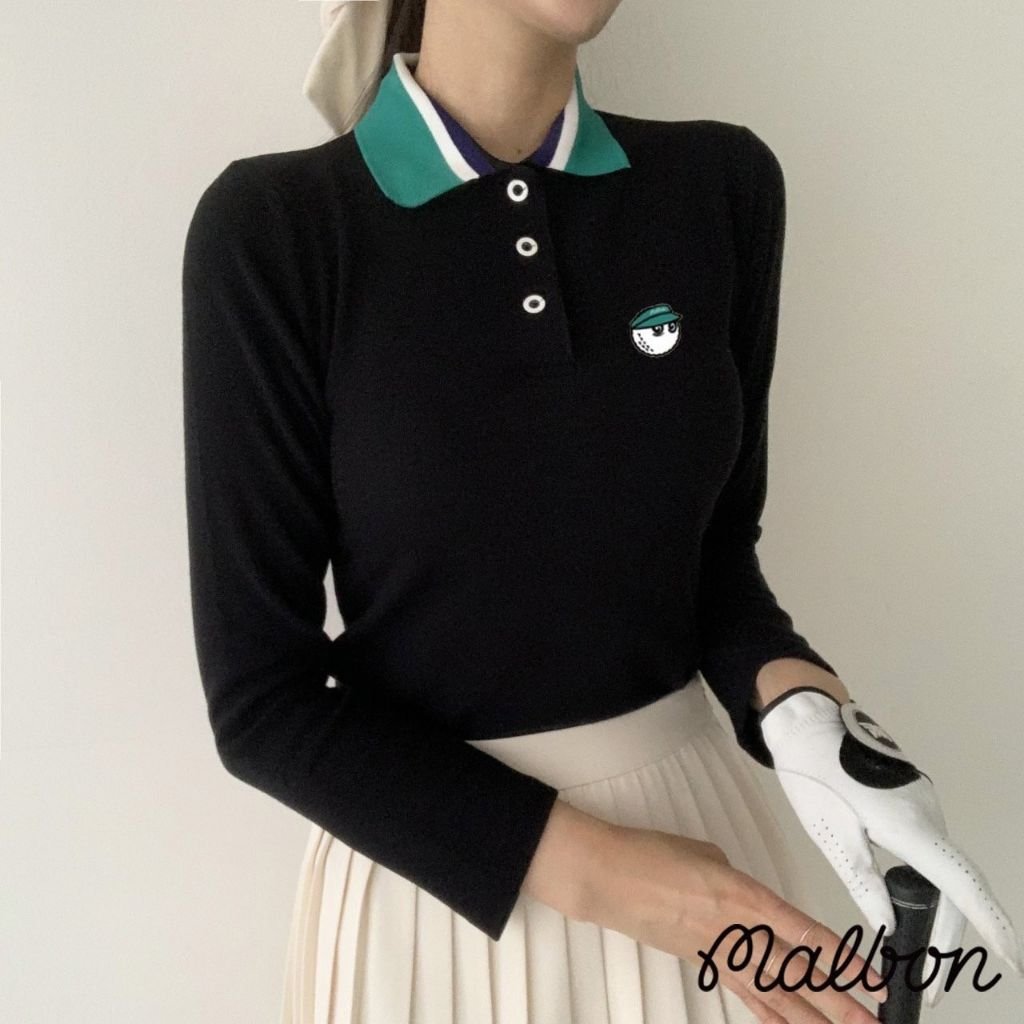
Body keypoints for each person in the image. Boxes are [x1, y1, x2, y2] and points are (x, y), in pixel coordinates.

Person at [181, 1, 1022, 1022]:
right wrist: (633, 885)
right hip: (435, 894)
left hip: (709, 855)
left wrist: (810, 717)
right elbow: (262, 703)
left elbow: (715, 562)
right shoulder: (277, 230)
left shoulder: (720, 186)